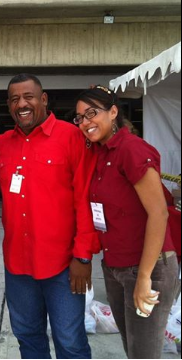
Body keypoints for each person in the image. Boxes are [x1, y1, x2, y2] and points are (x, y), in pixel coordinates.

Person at [0, 74, 100, 359]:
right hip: (18, 265)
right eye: (15, 99)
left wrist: (83, 257)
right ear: (8, 105)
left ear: (43, 100)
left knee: (70, 341)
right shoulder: (1, 144)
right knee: (28, 338)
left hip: (64, 266)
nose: (22, 104)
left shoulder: (72, 137)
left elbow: (85, 200)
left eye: (28, 96)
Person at [74, 85, 178, 359]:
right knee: (133, 350)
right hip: (115, 266)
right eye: (80, 117)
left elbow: (159, 213)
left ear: (113, 112)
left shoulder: (131, 149)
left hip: (148, 268)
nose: (85, 122)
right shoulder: (100, 153)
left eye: (92, 113)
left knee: (143, 354)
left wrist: (144, 278)